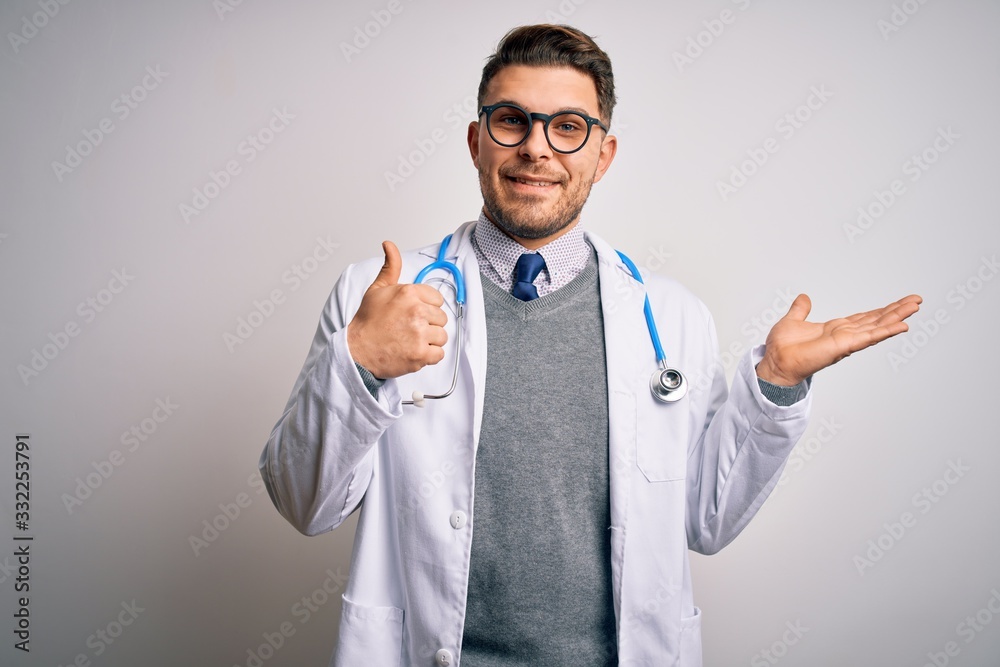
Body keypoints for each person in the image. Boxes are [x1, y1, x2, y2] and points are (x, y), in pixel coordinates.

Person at [259, 24, 921, 667]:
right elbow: (302, 501)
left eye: (568, 127)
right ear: (476, 141)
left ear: (602, 155)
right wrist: (364, 364)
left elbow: (706, 520)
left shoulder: (671, 315)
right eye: (512, 120)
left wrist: (774, 382)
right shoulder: (379, 297)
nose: (537, 149)